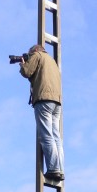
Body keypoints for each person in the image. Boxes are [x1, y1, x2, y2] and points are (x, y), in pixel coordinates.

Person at [19, 44, 64, 180]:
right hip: (56, 102)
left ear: (34, 51)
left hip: (44, 99)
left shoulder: (37, 56)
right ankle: (60, 169)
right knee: (56, 136)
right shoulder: (52, 61)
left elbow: (27, 72)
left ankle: (54, 169)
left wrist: (23, 64)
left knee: (46, 135)